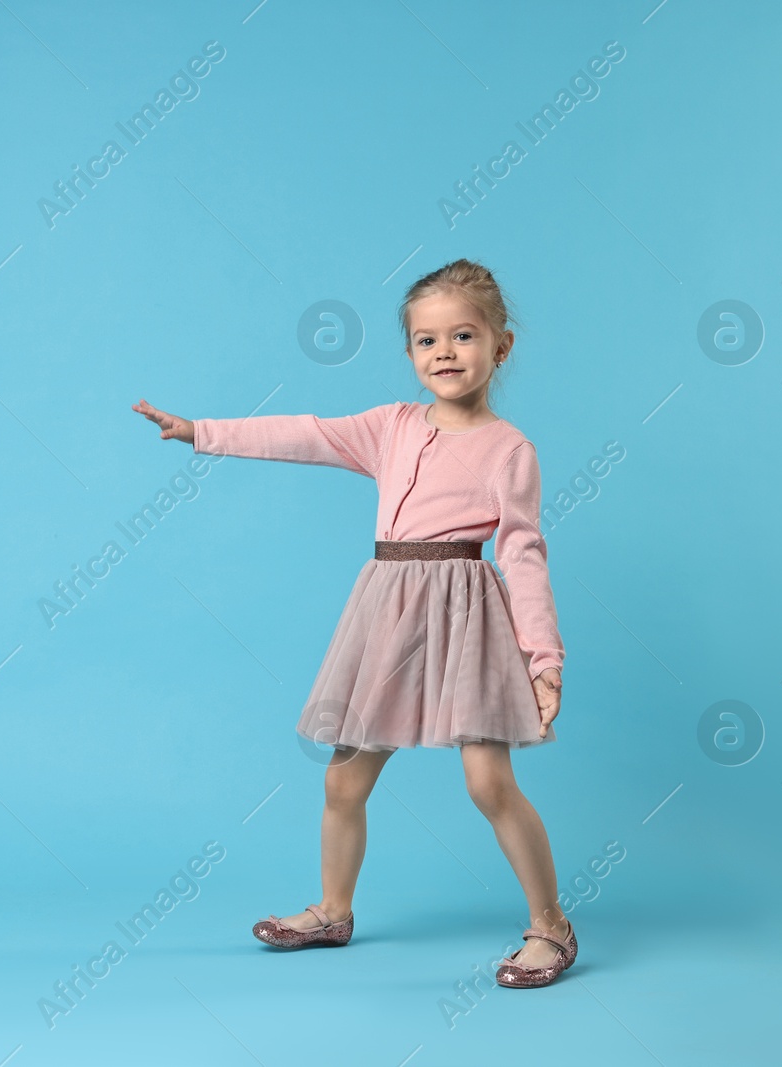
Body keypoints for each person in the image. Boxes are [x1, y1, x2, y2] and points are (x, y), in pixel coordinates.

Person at [131, 259, 575, 988]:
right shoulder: (389, 428)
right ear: (409, 355)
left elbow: (523, 552)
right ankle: (334, 910)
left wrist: (543, 658)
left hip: (468, 620)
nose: (445, 352)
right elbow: (301, 433)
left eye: (464, 335)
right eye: (427, 340)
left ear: (501, 346)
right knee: (343, 781)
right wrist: (199, 431)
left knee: (487, 781)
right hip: (389, 616)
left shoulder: (509, 449)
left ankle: (551, 925)